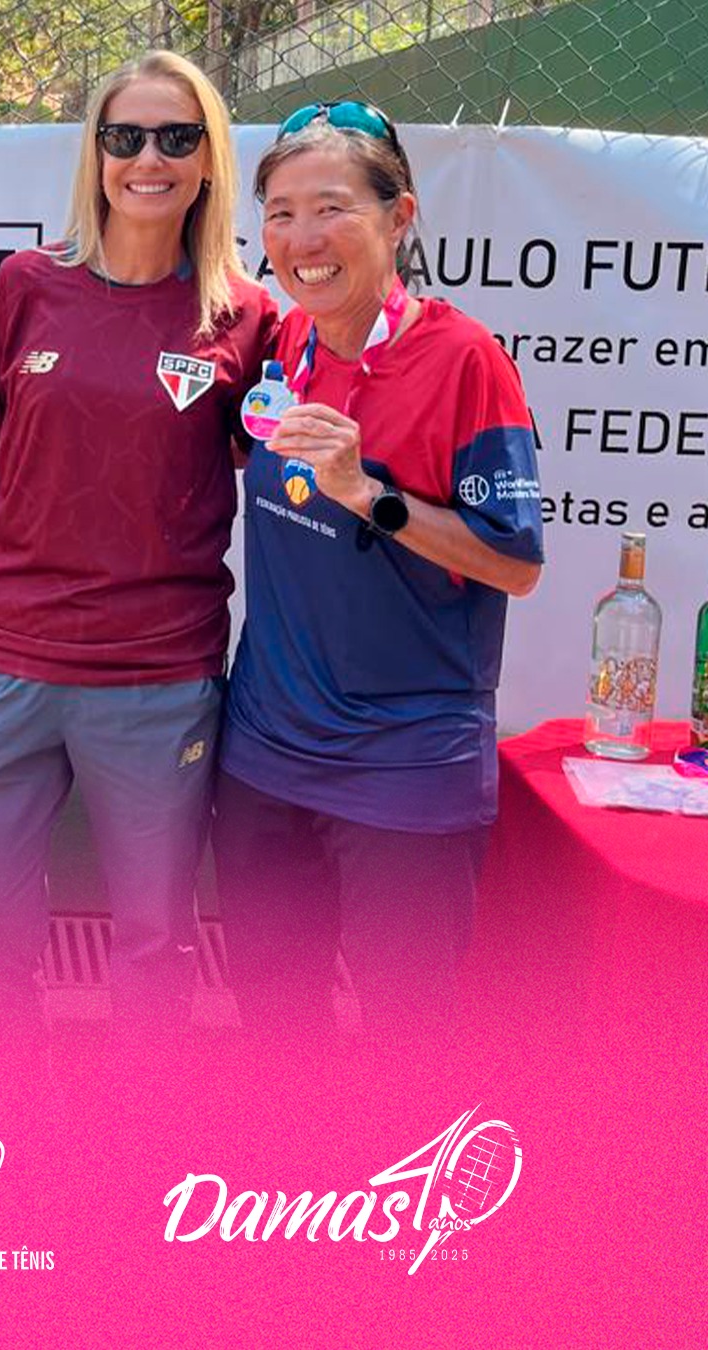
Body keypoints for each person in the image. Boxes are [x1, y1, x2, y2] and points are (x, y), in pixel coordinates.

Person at [0, 51, 279, 1072]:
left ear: (208, 159)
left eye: (176, 137)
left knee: (156, 940)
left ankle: (136, 1136)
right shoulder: (26, 286)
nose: (148, 159)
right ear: (97, 154)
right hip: (7, 667)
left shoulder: (246, 317)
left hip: (157, 680)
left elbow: (277, 467)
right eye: (125, 137)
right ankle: (11, 1109)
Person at [212, 101, 544, 1058]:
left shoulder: (466, 361)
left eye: (332, 208)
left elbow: (516, 564)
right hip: (265, 752)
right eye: (280, 213)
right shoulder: (284, 343)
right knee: (275, 1028)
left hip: (406, 767)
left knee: (406, 1043)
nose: (302, 239)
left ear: (399, 217)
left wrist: (371, 496)